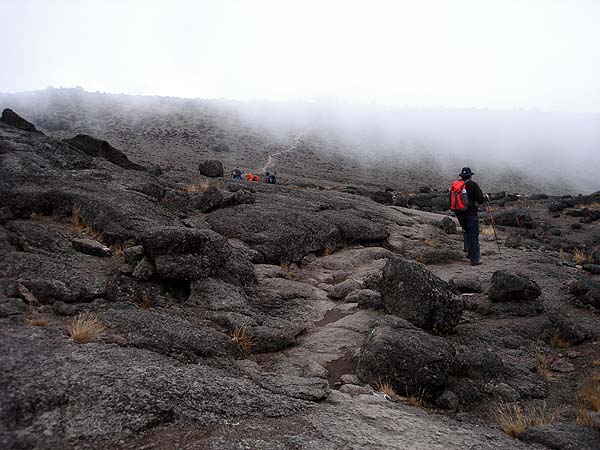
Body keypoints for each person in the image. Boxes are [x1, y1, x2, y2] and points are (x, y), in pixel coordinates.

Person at [453, 167, 485, 265]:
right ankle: (475, 259)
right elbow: (481, 200)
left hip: (459, 214)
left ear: (462, 176)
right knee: (473, 235)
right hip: (471, 214)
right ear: (470, 176)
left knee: (466, 232)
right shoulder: (473, 185)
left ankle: (467, 251)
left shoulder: (456, 186)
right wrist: (486, 198)